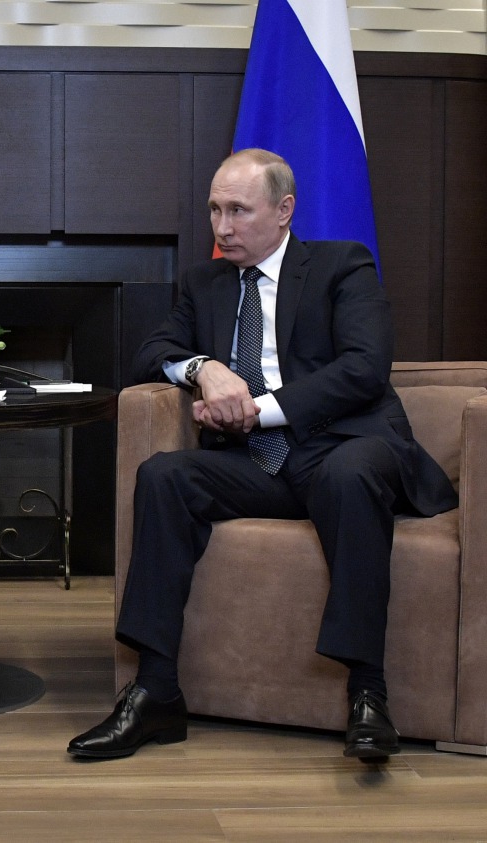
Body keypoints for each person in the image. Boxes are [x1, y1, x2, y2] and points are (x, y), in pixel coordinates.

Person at [67, 148, 456, 764]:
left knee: (349, 475)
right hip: (259, 466)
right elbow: (151, 352)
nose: (223, 227)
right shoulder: (205, 282)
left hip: (344, 446)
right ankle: (155, 692)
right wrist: (206, 368)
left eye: (239, 211)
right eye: (215, 210)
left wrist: (258, 408)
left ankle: (368, 693)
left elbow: (364, 369)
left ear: (284, 210)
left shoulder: (341, 265)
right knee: (164, 475)